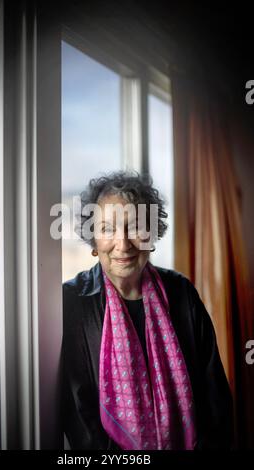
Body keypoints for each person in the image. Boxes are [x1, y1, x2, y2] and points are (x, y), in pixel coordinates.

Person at [62, 171, 233, 450]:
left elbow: (214, 397)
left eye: (135, 227)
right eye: (107, 229)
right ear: (93, 241)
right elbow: (80, 413)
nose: (124, 244)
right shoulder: (74, 301)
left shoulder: (181, 292)